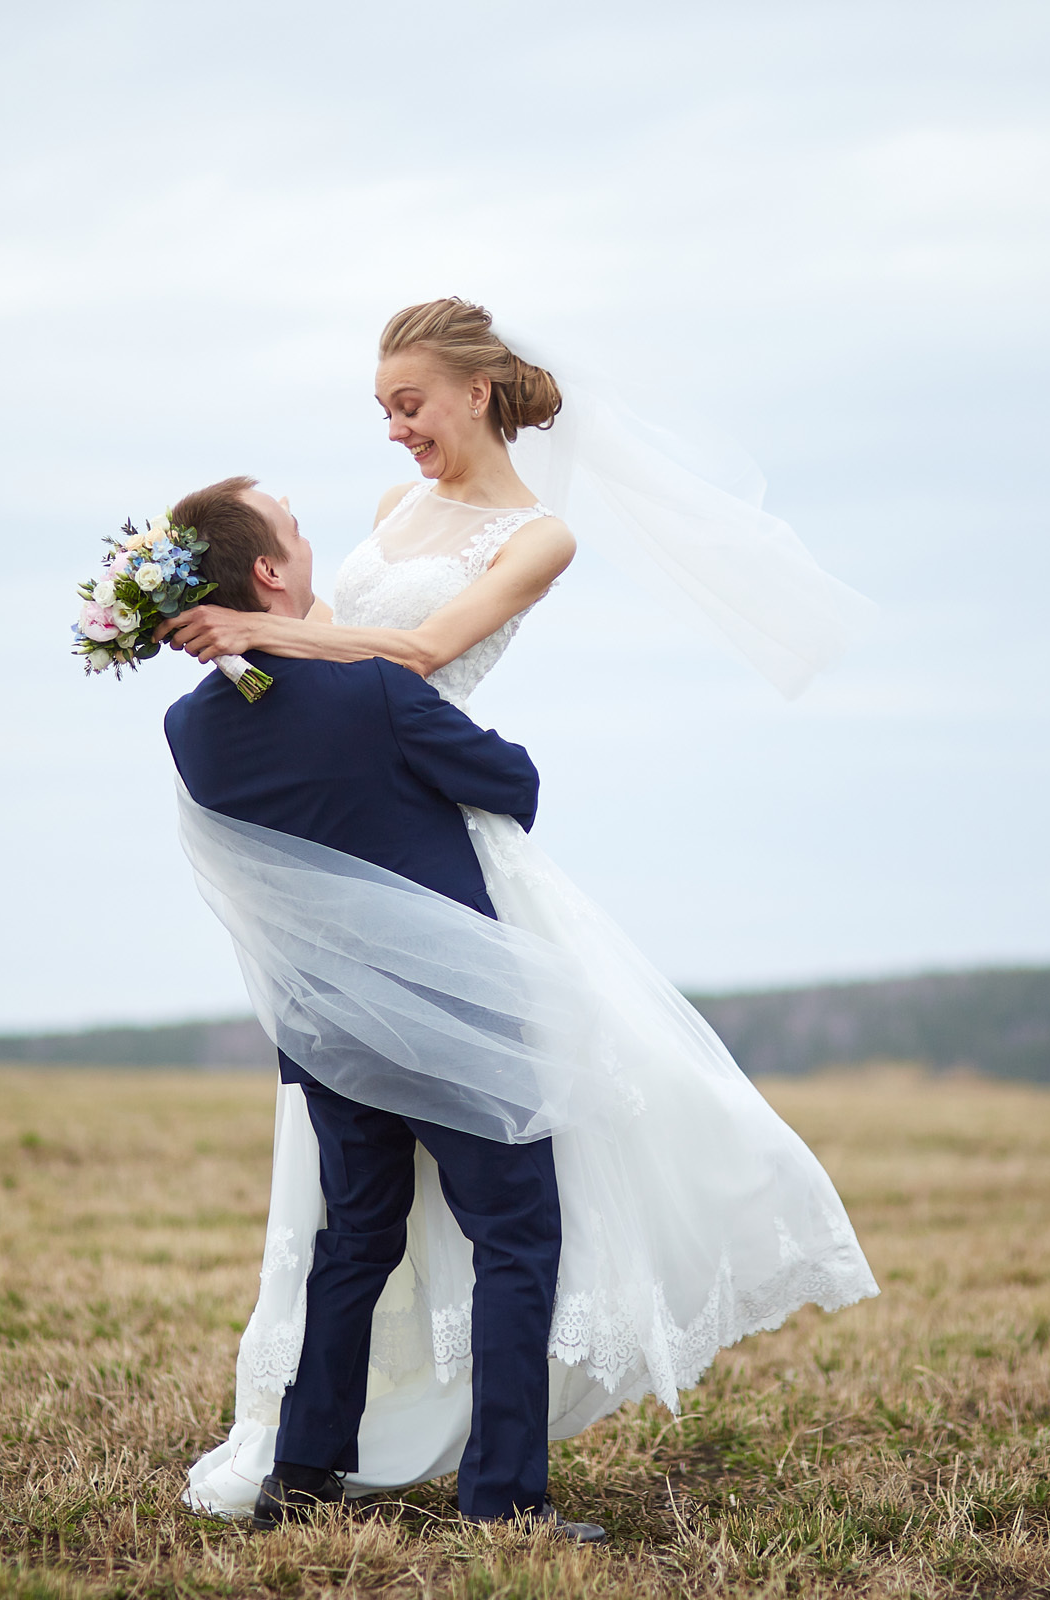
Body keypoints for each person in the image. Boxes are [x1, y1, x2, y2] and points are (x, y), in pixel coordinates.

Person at [167, 298, 879, 1522]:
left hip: (422, 838)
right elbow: (369, 669)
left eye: (409, 403)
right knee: (491, 1207)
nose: (393, 432)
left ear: (478, 391)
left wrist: (263, 630)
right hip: (412, 830)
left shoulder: (540, 539)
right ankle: (493, 1489)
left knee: (375, 1214)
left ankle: (319, 1464)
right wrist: (276, 651)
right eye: (382, 409)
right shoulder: (394, 517)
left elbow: (426, 646)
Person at [161, 476, 601, 1538]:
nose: (314, 545)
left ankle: (302, 1477)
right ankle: (503, 1501)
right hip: (451, 1009)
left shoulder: (191, 730)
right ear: (268, 574)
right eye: (297, 533)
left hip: (326, 1029)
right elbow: (512, 783)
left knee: (354, 1239)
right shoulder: (370, 687)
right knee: (515, 1237)